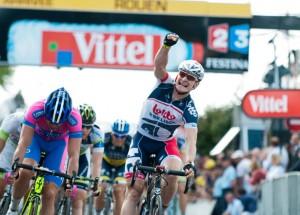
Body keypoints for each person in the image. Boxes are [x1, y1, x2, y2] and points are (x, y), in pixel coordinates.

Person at [121, 32, 204, 215]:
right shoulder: (163, 82)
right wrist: (166, 45)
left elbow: (191, 141)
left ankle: (162, 209)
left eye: (190, 78)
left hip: (165, 145)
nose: (184, 79)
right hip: (141, 141)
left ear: (195, 85)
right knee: (134, 191)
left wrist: (189, 162)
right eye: (183, 74)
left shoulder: (190, 110)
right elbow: (159, 65)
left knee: (174, 173)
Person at [7, 87, 82, 215]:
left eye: (58, 124)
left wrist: (70, 182)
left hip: (57, 146)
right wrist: (15, 169)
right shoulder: (35, 109)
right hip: (36, 140)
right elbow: (23, 143)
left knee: (50, 193)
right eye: (49, 121)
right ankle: (13, 207)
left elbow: (74, 155)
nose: (53, 125)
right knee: (26, 170)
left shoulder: (75, 119)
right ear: (45, 110)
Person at [71, 104, 104, 215]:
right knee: (54, 190)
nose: (85, 130)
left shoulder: (97, 135)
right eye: (82, 125)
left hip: (81, 158)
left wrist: (96, 182)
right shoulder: (69, 128)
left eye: (88, 127)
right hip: (65, 156)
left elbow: (97, 162)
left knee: (79, 194)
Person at [95, 119, 132, 215]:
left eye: (122, 136)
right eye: (116, 135)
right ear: (111, 134)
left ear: (126, 136)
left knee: (119, 190)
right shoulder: (105, 138)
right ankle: (98, 211)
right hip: (106, 163)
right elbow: (95, 153)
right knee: (102, 186)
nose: (119, 139)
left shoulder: (130, 142)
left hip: (121, 166)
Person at [0, 112, 24, 198]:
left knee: (24, 175)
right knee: (2, 173)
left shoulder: (36, 127)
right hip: (10, 144)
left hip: (27, 147)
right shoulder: (13, 120)